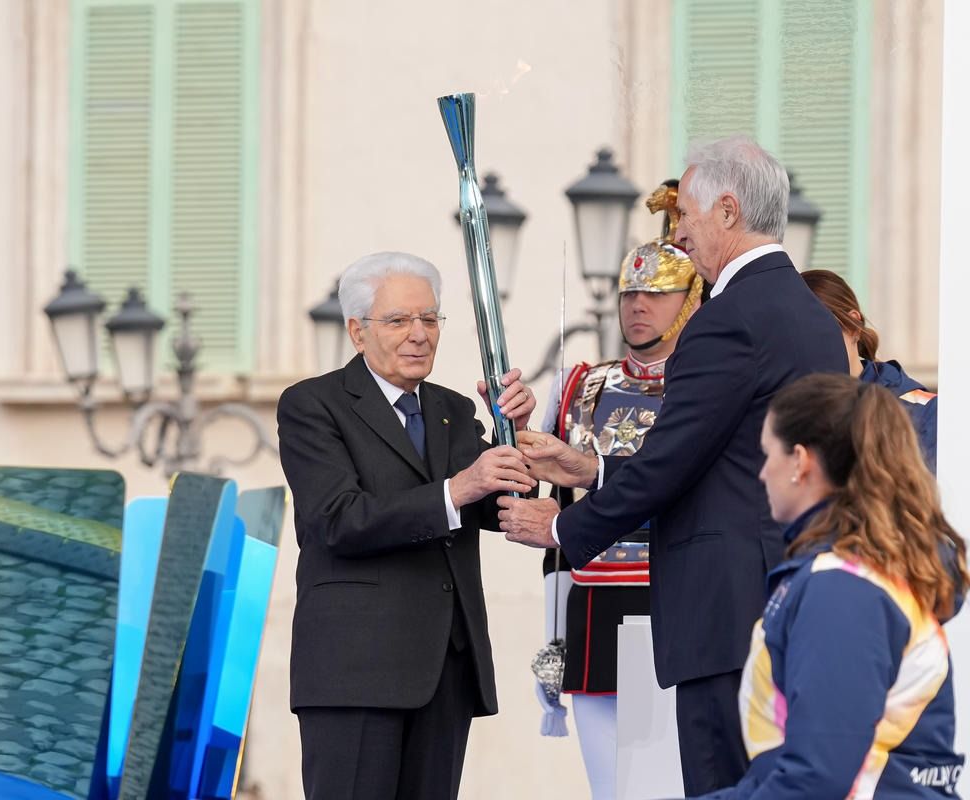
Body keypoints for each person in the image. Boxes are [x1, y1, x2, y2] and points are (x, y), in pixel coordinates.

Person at [497, 135, 848, 794]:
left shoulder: (726, 320)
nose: (677, 232)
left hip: (724, 607)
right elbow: (724, 454)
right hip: (791, 590)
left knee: (722, 783)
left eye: (685, 213)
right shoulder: (811, 318)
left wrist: (563, 528)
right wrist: (592, 471)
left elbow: (673, 459)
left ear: (727, 211)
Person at [277, 251, 537, 800]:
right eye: (398, 320)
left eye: (429, 319)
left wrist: (515, 434)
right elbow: (338, 520)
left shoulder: (453, 409)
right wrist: (456, 489)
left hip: (445, 666)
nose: (419, 334)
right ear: (358, 331)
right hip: (355, 672)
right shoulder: (312, 405)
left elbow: (503, 506)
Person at [693, 373, 965, 799]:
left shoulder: (842, 590)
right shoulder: (846, 578)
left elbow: (818, 780)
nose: (762, 474)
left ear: (800, 462)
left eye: (767, 454)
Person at [537, 184, 702, 799]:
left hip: (677, 596)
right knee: (609, 787)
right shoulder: (581, 385)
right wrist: (552, 635)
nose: (638, 306)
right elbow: (556, 520)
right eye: (630, 293)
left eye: (657, 294)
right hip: (594, 608)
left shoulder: (710, 385)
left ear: (691, 300)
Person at [802, 268, 938, 470]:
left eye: (817, 333)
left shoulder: (921, 412)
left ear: (853, 326)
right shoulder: (782, 411)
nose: (805, 348)